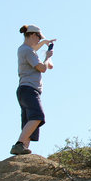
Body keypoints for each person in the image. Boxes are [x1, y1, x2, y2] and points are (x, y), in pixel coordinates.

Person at [11, 24, 56, 155]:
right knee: (37, 116)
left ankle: (23, 149)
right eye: (38, 37)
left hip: (24, 90)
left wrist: (44, 43)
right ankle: (19, 145)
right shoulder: (28, 51)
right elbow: (42, 68)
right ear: (31, 35)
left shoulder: (23, 49)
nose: (38, 39)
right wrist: (47, 57)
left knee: (29, 122)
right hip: (29, 89)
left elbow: (34, 48)